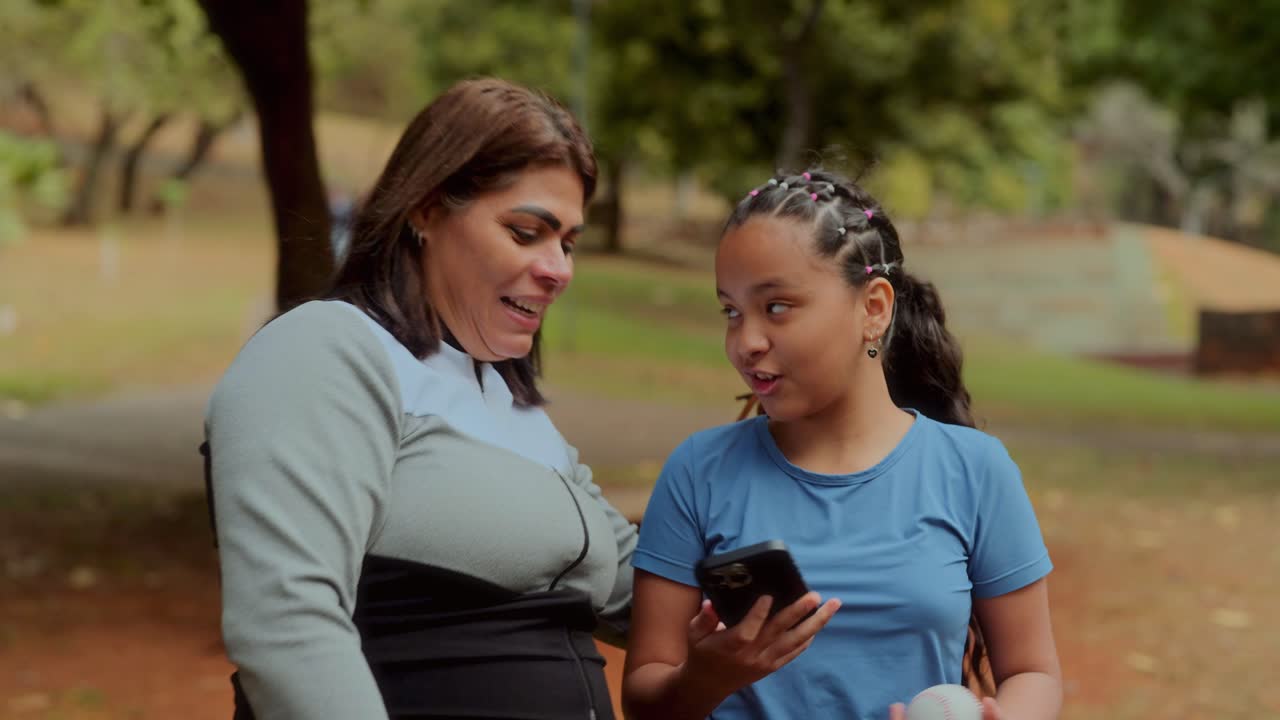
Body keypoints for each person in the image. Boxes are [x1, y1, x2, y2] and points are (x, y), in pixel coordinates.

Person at [203, 78, 638, 720]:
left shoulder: (514, 406)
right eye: (526, 232)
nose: (559, 269)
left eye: (567, 243)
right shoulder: (327, 350)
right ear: (426, 210)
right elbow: (287, 626)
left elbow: (643, 590)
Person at [622, 170, 1062, 720]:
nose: (745, 342)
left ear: (873, 309)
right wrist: (704, 679)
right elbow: (644, 698)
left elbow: (1032, 673)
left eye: (776, 307)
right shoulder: (698, 471)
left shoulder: (975, 470)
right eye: (731, 312)